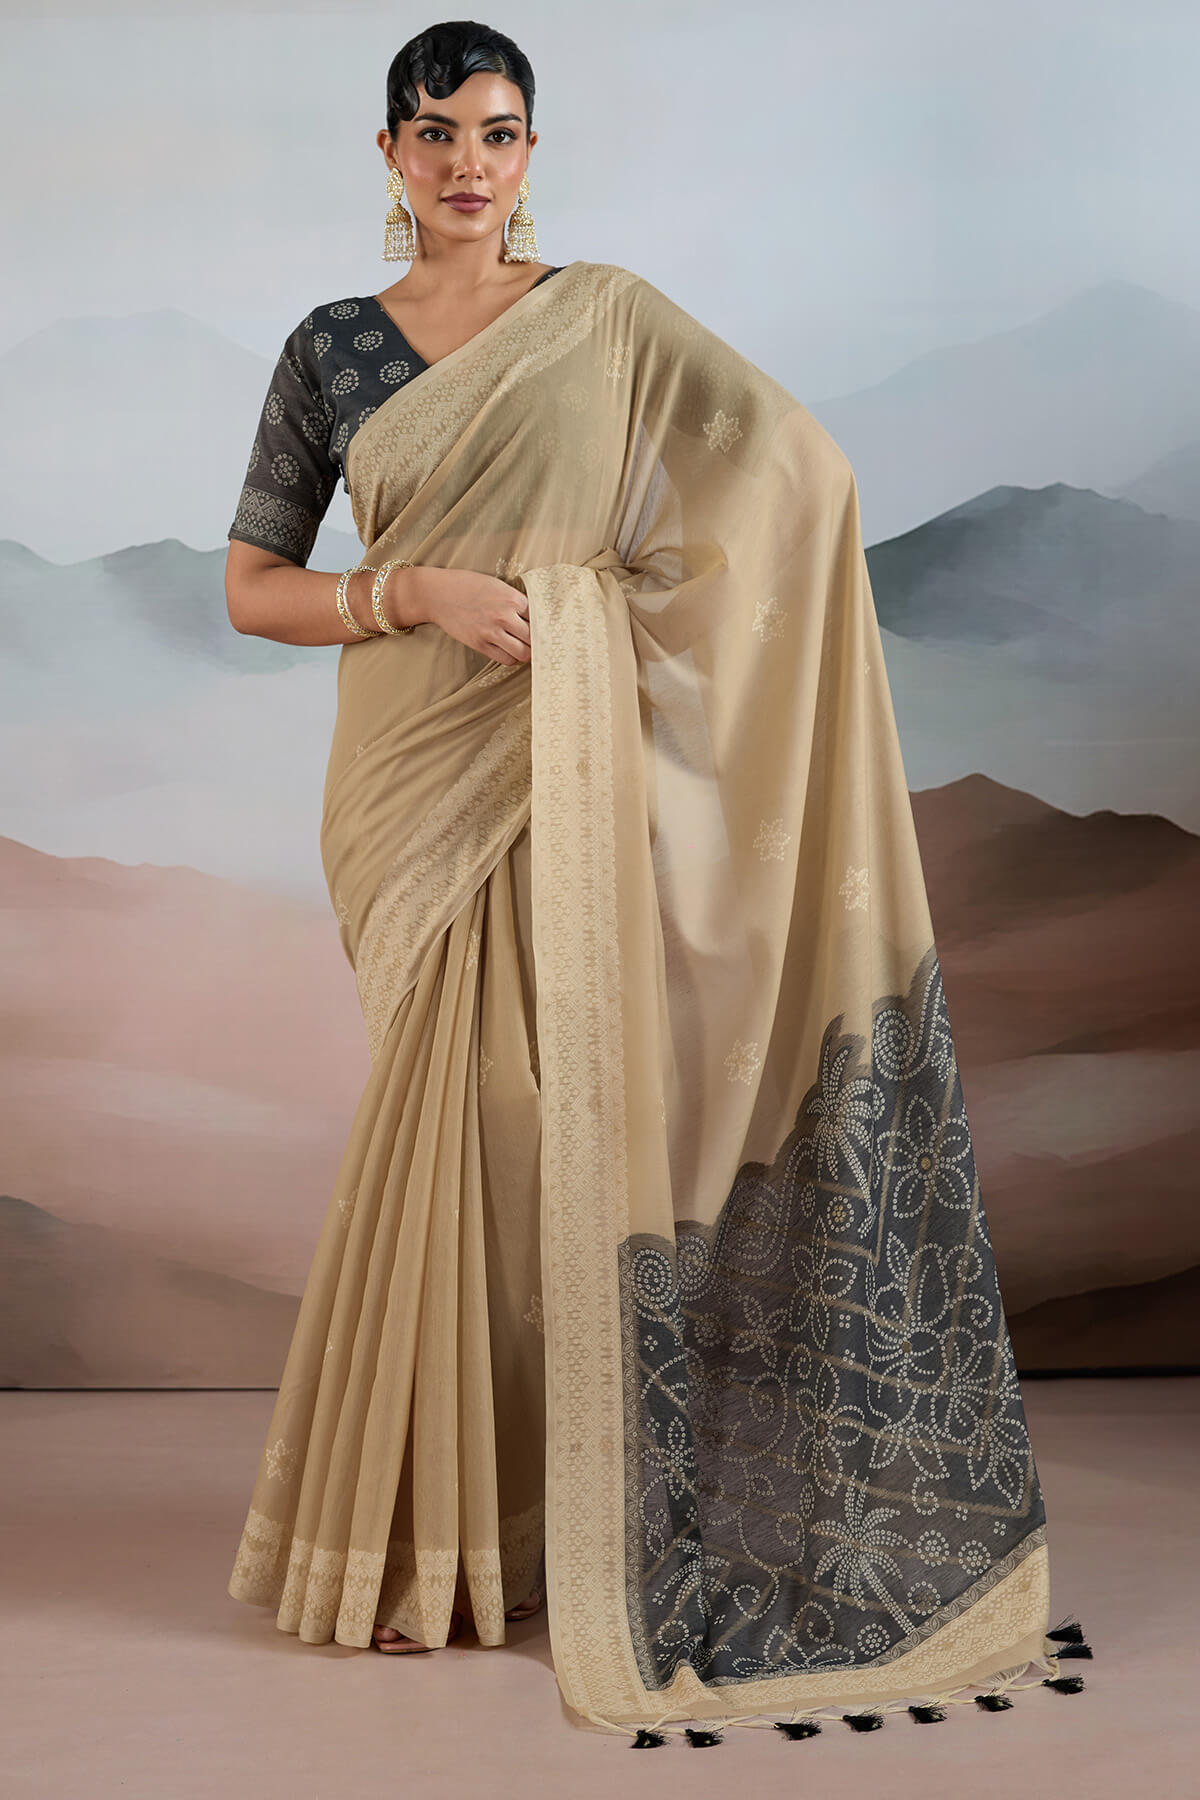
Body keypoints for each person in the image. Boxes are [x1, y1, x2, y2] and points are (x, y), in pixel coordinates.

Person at [224, 19, 1087, 1745]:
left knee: (533, 1127)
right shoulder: (331, 350)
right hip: (410, 774)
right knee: (450, 1125)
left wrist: (606, 614)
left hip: (566, 759)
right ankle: (416, 1544)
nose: (469, 163)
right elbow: (253, 585)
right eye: (435, 132)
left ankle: (538, 1521)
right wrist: (419, 595)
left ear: (531, 153)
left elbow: (798, 476)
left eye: (499, 132)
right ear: (388, 154)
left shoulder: (602, 317)